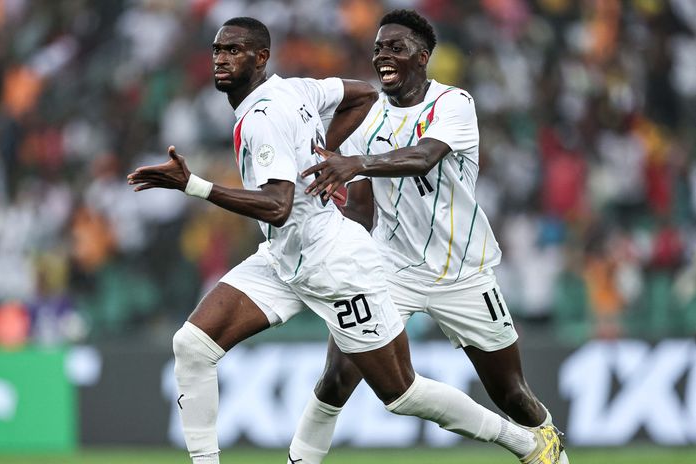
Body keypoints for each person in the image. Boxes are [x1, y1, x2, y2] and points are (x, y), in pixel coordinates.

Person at [128, 16, 561, 464]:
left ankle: (526, 443)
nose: (221, 59)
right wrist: (313, 156)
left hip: (361, 267)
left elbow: (278, 205)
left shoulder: (268, 116)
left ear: (260, 58)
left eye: (233, 51)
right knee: (195, 346)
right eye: (217, 50)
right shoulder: (297, 90)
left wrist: (194, 185)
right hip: (292, 256)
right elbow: (361, 95)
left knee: (402, 393)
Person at [288, 9, 568, 464]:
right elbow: (361, 206)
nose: (383, 56)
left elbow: (423, 157)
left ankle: (550, 454)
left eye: (395, 48)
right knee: (337, 376)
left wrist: (355, 165)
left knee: (513, 394)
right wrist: (335, 227)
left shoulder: (453, 103)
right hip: (390, 268)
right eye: (378, 48)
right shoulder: (366, 118)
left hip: (464, 271)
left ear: (422, 57)